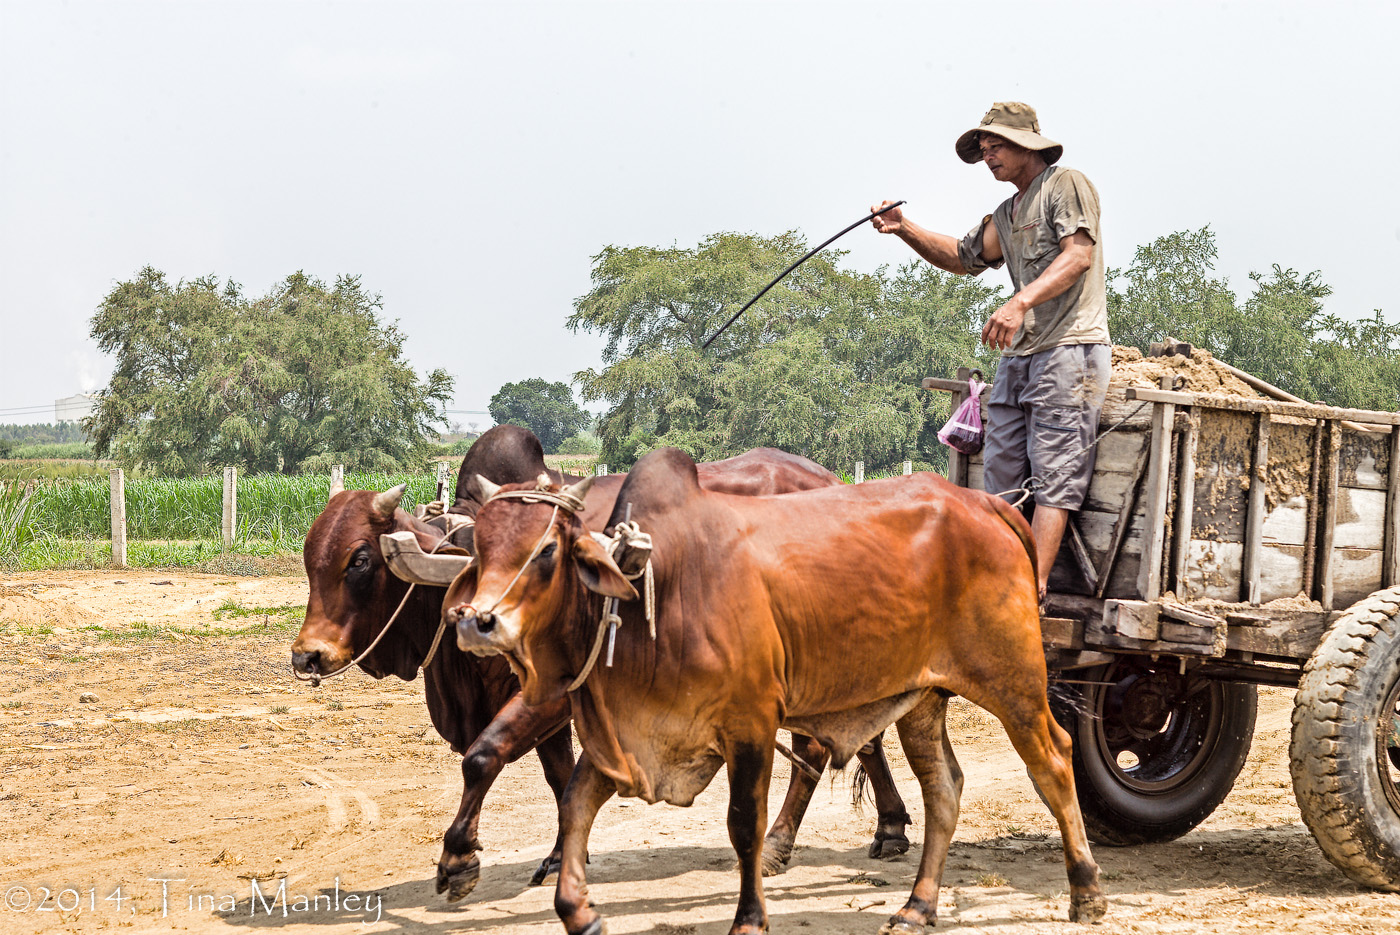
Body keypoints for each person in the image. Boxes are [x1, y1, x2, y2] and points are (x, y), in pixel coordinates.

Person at [871, 101, 1110, 601]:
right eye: (982, 149)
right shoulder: (1007, 213)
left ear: (1026, 145)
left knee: (1055, 473)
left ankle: (1029, 590)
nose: (987, 156)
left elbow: (1079, 256)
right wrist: (905, 228)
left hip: (1069, 351)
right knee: (999, 470)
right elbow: (960, 258)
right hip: (1020, 358)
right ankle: (989, 576)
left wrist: (1019, 301)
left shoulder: (1065, 186)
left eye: (995, 145)